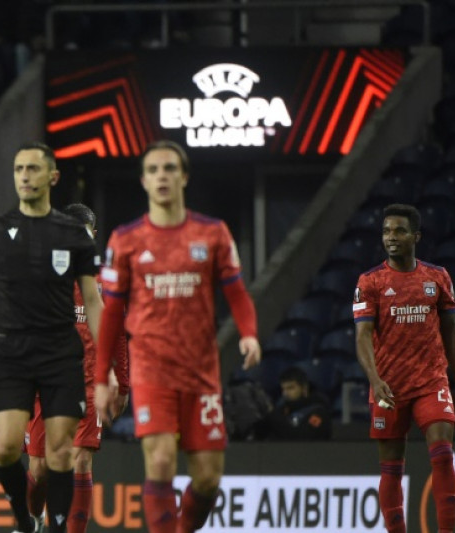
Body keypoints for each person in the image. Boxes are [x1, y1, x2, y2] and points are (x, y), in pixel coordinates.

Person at [94, 140, 261, 533]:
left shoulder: (213, 233)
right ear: (143, 181)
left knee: (207, 478)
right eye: (153, 170)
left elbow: (237, 292)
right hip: (151, 369)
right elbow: (112, 315)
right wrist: (102, 378)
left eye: (169, 168)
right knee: (162, 461)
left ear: (184, 176)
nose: (161, 176)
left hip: (202, 371)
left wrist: (249, 334)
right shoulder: (125, 240)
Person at [0, 143, 104, 533]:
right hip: (10, 353)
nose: (24, 175)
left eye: (33, 169)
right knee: (7, 451)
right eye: (18, 169)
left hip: (60, 355)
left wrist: (106, 366)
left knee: (62, 457)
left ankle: (54, 529)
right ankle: (25, 520)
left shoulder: (74, 234)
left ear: (52, 177)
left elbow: (92, 301)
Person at [353, 203, 455, 533]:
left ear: (415, 236)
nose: (391, 237)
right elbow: (362, 336)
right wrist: (375, 379)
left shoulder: (437, 277)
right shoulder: (370, 281)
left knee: (443, 452)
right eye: (386, 231)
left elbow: (451, 331)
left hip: (431, 380)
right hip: (389, 386)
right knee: (391, 467)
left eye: (399, 231)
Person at [22, 203, 129, 533]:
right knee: (39, 470)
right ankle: (34, 519)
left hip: (87, 383)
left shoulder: (106, 283)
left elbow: (118, 336)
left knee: (80, 459)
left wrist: (122, 384)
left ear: (92, 237)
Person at [264, 366, 331, 440]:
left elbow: (302, 438)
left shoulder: (319, 412)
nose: (285, 393)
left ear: (304, 388)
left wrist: (273, 415)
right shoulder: (282, 410)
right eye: (283, 389)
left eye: (290, 388)